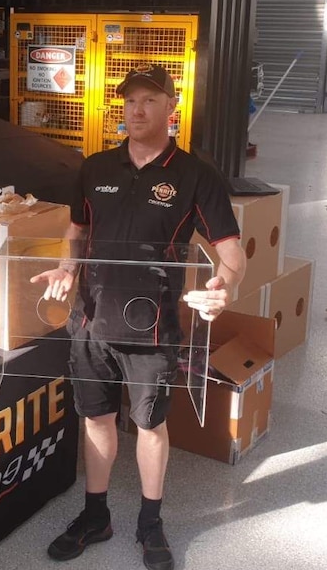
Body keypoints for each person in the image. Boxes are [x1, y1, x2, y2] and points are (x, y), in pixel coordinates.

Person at [30, 63, 246, 570]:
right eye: (129, 101)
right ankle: (96, 515)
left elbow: (231, 252)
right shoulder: (95, 167)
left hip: (153, 326)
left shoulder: (196, 175)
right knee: (97, 418)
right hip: (89, 320)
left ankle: (150, 521)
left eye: (150, 99)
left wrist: (224, 286)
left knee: (149, 425)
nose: (137, 109)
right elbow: (76, 232)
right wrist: (65, 268)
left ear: (173, 108)